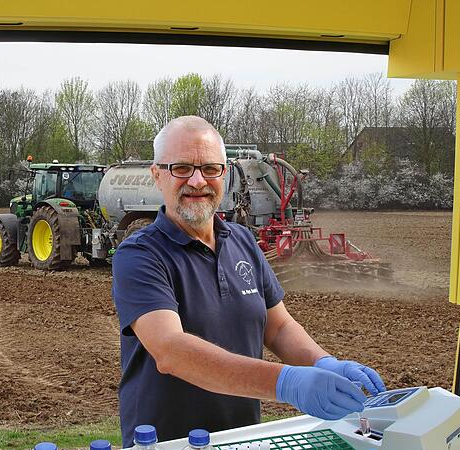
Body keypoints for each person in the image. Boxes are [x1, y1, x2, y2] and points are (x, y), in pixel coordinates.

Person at [112, 116, 386, 448]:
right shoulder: (140, 254)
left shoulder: (242, 241)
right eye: (182, 168)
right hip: (166, 442)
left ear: (224, 175)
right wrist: (286, 382)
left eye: (210, 169)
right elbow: (171, 350)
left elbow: (278, 327)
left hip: (241, 438)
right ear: (157, 175)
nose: (198, 181)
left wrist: (324, 363)